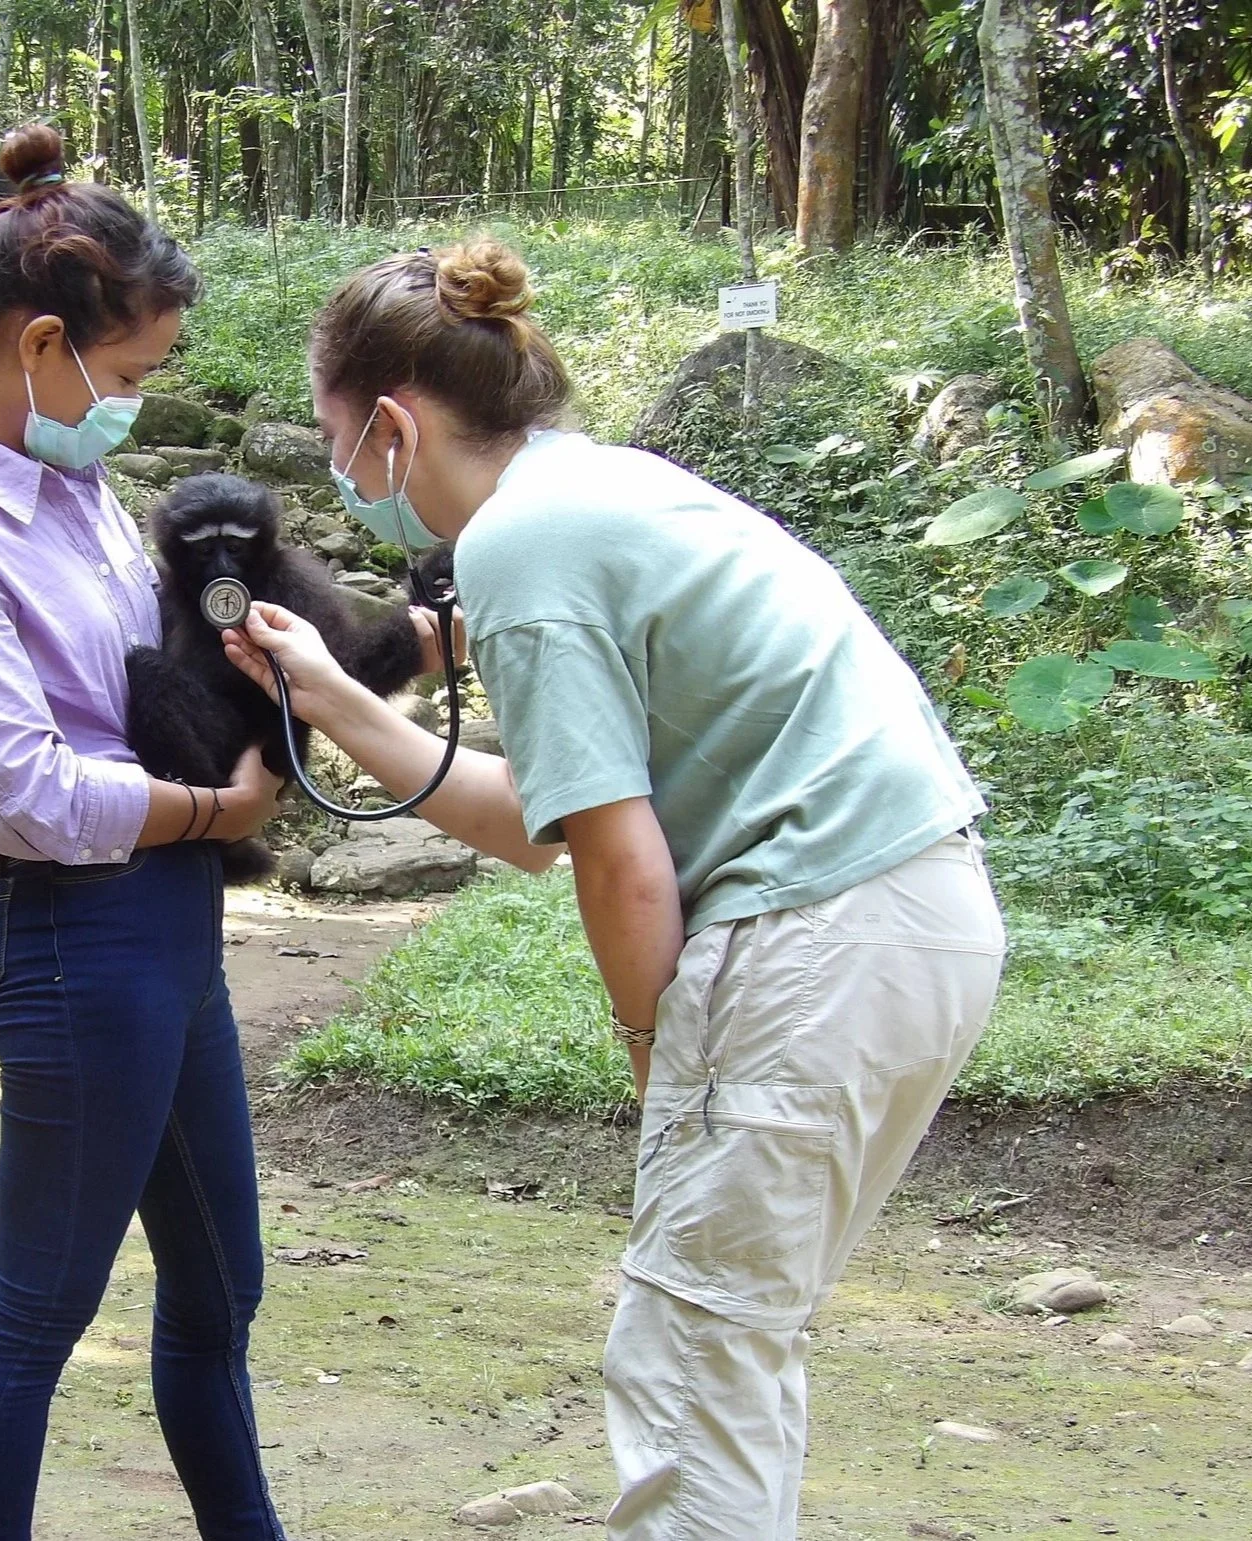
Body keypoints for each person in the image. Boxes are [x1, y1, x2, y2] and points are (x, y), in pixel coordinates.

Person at [221, 238, 1006, 1541]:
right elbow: (548, 820)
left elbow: (621, 863)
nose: (338, 475)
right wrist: (342, 702)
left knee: (690, 1360)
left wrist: (653, 1041)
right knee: (727, 1348)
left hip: (814, 938)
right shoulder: (593, 492)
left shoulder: (520, 546)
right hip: (909, 918)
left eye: (331, 438)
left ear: (394, 427)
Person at [0, 124, 296, 1541]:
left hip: (172, 934)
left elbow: (138, 686)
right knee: (38, 1310)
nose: (128, 407)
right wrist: (214, 809)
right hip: (73, 943)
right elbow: (33, 795)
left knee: (222, 1286)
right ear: (41, 343)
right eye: (123, 378)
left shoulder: (80, 493)